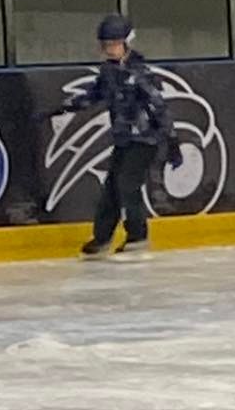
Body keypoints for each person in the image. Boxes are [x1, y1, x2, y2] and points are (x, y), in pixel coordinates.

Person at [46, 14, 181, 258]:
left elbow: (159, 106)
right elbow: (95, 95)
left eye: (114, 44)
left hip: (145, 139)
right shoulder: (108, 72)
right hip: (123, 139)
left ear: (127, 43)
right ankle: (102, 238)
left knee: (127, 184)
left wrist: (172, 140)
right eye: (106, 45)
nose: (109, 49)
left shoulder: (139, 73)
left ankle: (138, 235)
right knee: (111, 188)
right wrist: (66, 107)